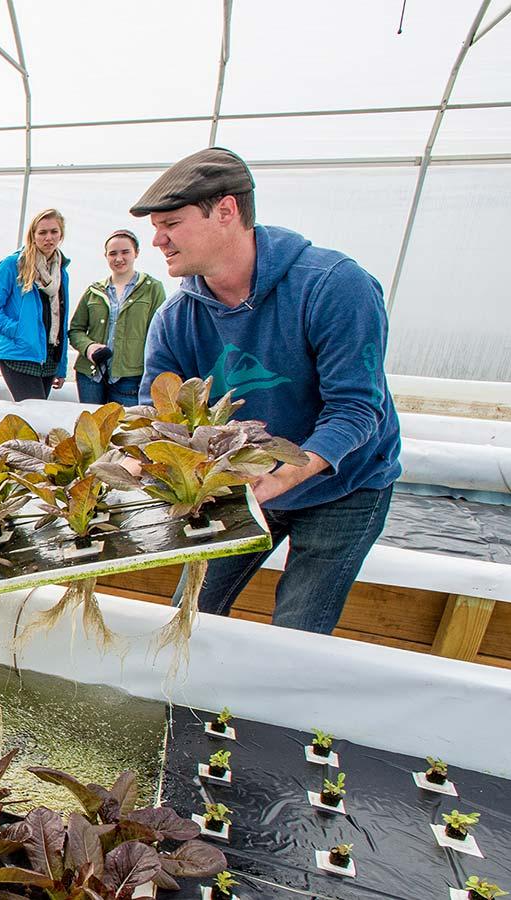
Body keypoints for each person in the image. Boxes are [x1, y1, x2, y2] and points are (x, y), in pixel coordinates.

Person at [131, 146, 401, 634]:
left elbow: (356, 409)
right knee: (189, 615)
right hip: (245, 481)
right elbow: (158, 415)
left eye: (170, 224)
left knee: (297, 631)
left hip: (345, 485)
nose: (156, 240)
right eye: (155, 226)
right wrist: (134, 462)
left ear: (226, 211)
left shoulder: (333, 286)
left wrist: (284, 475)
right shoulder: (176, 318)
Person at [67, 229, 167, 406]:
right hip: (90, 376)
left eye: (125, 252)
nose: (119, 258)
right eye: (113, 253)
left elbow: (158, 336)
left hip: (131, 378)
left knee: (124, 424)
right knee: (90, 423)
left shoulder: (153, 288)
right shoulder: (93, 291)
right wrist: (89, 347)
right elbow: (75, 330)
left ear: (136, 253)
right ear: (106, 256)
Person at [0, 208, 70, 401]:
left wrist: (61, 366)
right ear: (33, 235)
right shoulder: (13, 264)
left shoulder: (61, 272)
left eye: (54, 232)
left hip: (48, 357)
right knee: (34, 413)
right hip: (19, 354)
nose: (48, 238)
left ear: (61, 234)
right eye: (42, 232)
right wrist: (19, 330)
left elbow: (61, 319)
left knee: (38, 414)